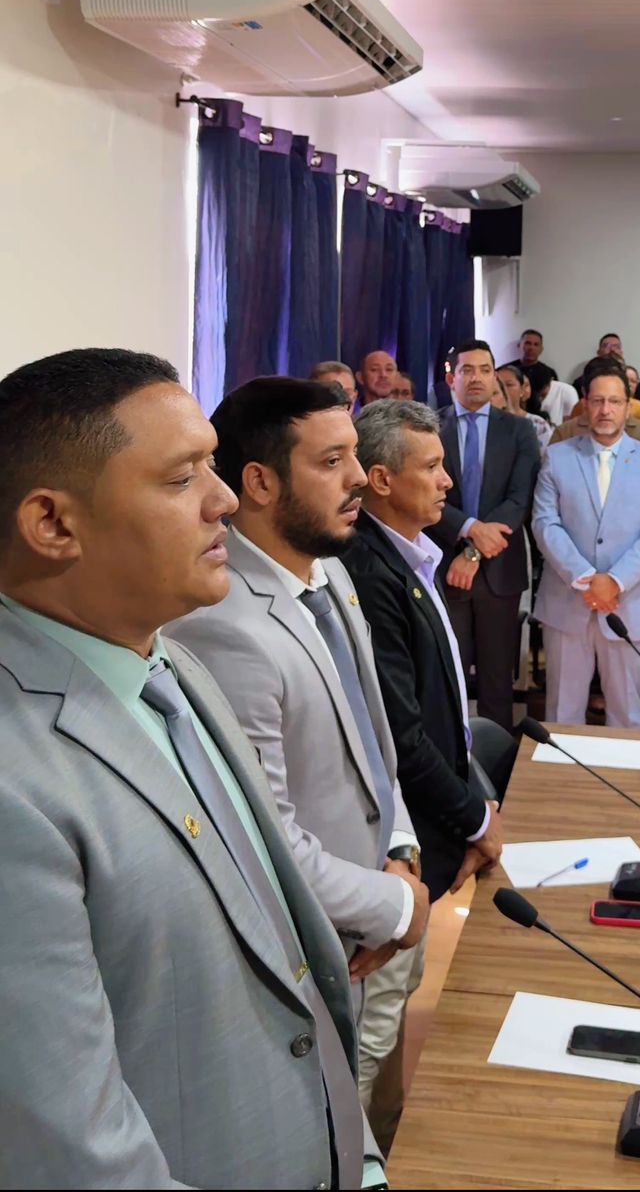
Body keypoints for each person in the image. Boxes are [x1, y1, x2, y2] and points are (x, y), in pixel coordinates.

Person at [0, 349, 374, 1190]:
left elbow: (285, 957)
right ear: (53, 524)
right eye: (181, 478)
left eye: (213, 464)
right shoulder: (14, 784)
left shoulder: (171, 665)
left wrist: (358, 1155)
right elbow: (78, 1158)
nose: (227, 499)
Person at [168, 377, 430, 1131]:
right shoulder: (224, 624)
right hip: (320, 943)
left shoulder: (331, 571)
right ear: (258, 482)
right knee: (332, 1119)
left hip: (380, 902)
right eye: (332, 462)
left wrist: (402, 850)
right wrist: (395, 906)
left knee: (381, 1098)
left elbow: (371, 741)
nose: (359, 480)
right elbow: (265, 836)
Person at [345, 400, 505, 1147]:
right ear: (381, 479)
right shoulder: (368, 569)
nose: (448, 482)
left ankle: (389, 1143)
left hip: (426, 834)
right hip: (390, 847)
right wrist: (472, 818)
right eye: (432, 467)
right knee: (371, 1032)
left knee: (398, 1004)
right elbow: (401, 734)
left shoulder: (412, 551)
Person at [532, 361, 640, 726]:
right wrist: (585, 577)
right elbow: (545, 522)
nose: (605, 410)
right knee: (562, 715)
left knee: (627, 715)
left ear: (628, 406)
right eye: (597, 401)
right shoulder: (558, 456)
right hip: (567, 601)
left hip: (630, 603)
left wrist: (614, 580)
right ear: (585, 403)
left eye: (614, 401)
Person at [427, 339, 541, 731]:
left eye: (485, 370)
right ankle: (454, 758)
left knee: (497, 681)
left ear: (495, 378)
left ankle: (498, 758)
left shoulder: (519, 430)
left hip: (499, 570)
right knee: (449, 675)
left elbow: (520, 499)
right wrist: (471, 529)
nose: (476, 378)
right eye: (467, 370)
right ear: (451, 378)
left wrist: (472, 552)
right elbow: (425, 495)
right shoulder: (429, 428)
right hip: (444, 566)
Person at [498, 362, 553, 453]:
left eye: (509, 385)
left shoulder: (538, 424)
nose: (503, 390)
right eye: (498, 385)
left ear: (522, 390)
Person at [510, 328, 556, 410]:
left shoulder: (549, 373)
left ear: (541, 349)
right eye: (528, 343)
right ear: (519, 346)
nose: (531, 348)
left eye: (536, 344)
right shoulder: (506, 371)